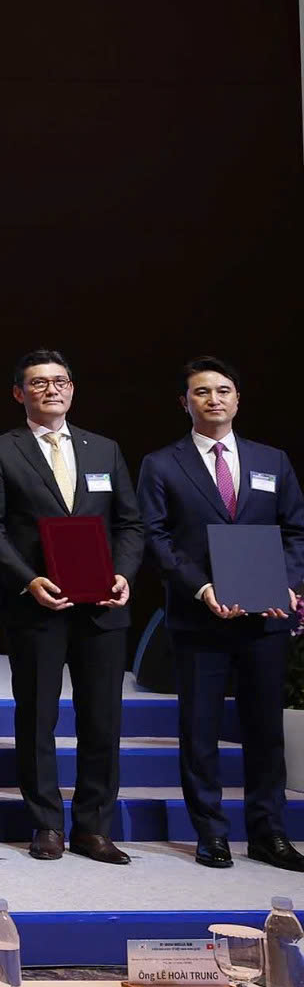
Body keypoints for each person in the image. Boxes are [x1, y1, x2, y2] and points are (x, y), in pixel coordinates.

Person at [0, 349, 146, 864]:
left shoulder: (104, 449)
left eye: (61, 381)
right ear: (18, 393)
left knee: (102, 719)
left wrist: (123, 573)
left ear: (72, 389)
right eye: (39, 382)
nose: (52, 389)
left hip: (102, 605)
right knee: (37, 716)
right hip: (37, 604)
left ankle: (94, 827)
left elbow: (129, 523)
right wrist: (27, 580)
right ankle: (46, 822)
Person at [137, 357, 304, 872]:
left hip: (265, 616)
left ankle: (268, 832)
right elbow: (156, 538)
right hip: (199, 617)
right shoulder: (162, 464)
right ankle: (211, 833)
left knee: (265, 730)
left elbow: (296, 531)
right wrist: (201, 587)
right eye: (202, 391)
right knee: (200, 729)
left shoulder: (272, 460)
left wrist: (288, 584)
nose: (214, 399)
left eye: (223, 390)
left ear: (237, 399)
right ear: (184, 402)